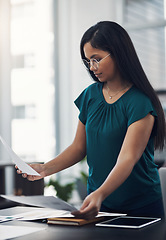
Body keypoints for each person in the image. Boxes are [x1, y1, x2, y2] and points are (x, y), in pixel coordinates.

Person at [16, 21, 166, 219]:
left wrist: (100, 193)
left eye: (96, 59)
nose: (92, 67)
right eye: (88, 61)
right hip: (98, 203)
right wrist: (45, 168)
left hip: (139, 205)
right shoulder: (90, 96)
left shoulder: (139, 102)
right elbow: (79, 148)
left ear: (118, 53)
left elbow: (127, 158)